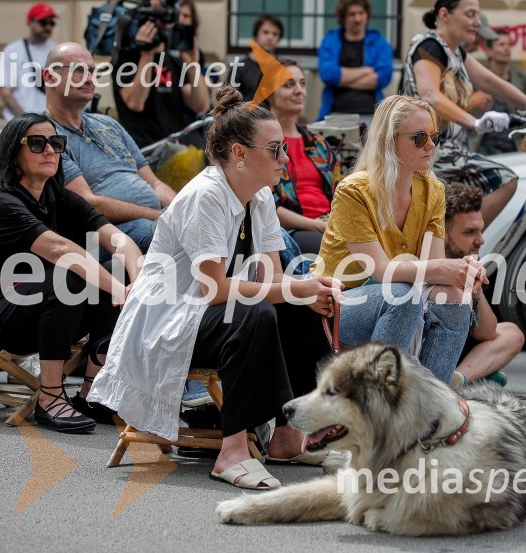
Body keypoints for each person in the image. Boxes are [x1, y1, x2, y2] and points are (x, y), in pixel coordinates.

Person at [88, 84, 343, 490]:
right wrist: (297, 289)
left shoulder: (259, 198)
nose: (285, 158)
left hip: (206, 316)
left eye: (284, 149)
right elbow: (215, 290)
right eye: (274, 149)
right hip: (167, 323)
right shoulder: (206, 195)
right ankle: (232, 450)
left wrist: (308, 288)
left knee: (304, 305)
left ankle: (289, 437)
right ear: (239, 154)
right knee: (255, 311)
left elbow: (273, 278)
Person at [0, 113, 143, 433]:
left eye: (56, 143)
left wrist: (136, 279)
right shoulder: (0, 202)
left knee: (113, 268)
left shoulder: (57, 196)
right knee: (69, 275)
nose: (49, 150)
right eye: (36, 143)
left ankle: (92, 393)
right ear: (13, 153)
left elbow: (117, 239)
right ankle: (50, 397)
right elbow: (61, 251)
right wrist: (120, 291)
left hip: (31, 312)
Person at [311, 94, 486, 387]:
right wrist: (446, 268)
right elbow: (380, 271)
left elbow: (431, 268)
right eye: (419, 138)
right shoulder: (354, 190)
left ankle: (430, 408)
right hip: (337, 304)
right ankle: (380, 401)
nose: (431, 145)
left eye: (434, 136)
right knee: (402, 293)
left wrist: (459, 273)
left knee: (456, 296)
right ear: (388, 142)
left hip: (398, 296)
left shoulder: (434, 190)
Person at [401, 0, 526, 228]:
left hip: (449, 151)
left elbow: (488, 80)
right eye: (471, 15)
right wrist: (475, 123)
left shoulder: (455, 52)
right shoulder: (429, 46)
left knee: (470, 199)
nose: (477, 22)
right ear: (444, 15)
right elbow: (430, 96)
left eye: (478, 15)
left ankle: (452, 242)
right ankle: (455, 243)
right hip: (430, 151)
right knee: (505, 180)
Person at [44, 42, 176, 254]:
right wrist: (158, 216)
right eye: (78, 70)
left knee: (208, 227)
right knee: (163, 235)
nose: (89, 79)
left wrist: (181, 210)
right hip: (104, 235)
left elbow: (155, 183)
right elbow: (89, 205)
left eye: (92, 71)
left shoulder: (108, 124)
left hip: (153, 220)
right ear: (50, 77)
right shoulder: (48, 135)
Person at [443, 182, 524, 386]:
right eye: (470, 232)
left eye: (480, 230)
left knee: (512, 333)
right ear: (443, 234)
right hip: (430, 348)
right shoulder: (430, 263)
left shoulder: (468, 261)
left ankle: (459, 378)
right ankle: (477, 375)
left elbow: (486, 333)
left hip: (458, 349)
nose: (481, 240)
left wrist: (475, 287)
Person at [266, 59, 341, 255]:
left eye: (302, 83)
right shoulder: (263, 145)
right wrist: (317, 225)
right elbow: (265, 205)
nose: (299, 90)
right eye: (289, 85)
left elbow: (341, 191)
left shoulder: (318, 144)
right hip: (292, 231)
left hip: (330, 223)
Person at [112, 0, 210, 149]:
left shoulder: (181, 54)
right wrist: (147, 54)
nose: (178, 19)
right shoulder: (130, 50)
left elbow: (200, 106)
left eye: (185, 15)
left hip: (172, 147)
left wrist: (192, 65)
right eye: (165, 14)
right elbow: (135, 102)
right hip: (140, 149)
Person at [317, 0, 393, 122]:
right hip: (335, 112)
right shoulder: (330, 40)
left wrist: (341, 80)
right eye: (352, 14)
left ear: (367, 14)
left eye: (361, 13)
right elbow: (328, 74)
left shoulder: (378, 41)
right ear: (343, 17)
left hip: (371, 113)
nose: (357, 19)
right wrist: (366, 71)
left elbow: (383, 77)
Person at [472, 29, 526, 155]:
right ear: (489, 51)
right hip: (483, 148)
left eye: (509, 44)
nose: (507, 48)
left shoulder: (523, 80)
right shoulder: (477, 79)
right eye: (501, 45)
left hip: (516, 147)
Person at [0, 3, 58, 121]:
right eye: (43, 22)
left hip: (50, 123)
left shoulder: (57, 50)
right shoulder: (13, 50)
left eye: (52, 23)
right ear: (30, 22)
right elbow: (5, 90)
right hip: (18, 123)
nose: (48, 27)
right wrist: (24, 120)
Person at [233, 15, 284, 101]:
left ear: (279, 38)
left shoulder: (283, 67)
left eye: (275, 34)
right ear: (256, 34)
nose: (270, 37)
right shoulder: (239, 67)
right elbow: (228, 103)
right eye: (265, 32)